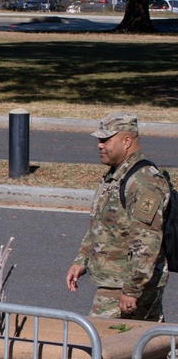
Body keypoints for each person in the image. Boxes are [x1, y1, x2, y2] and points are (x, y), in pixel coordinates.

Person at [66, 113, 169, 320]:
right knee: (146, 343)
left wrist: (132, 289)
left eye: (106, 140)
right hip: (115, 281)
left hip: (127, 284)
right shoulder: (116, 174)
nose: (100, 145)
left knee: (102, 343)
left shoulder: (144, 182)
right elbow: (102, 224)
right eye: (99, 140)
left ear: (127, 141)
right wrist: (82, 259)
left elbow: (147, 242)